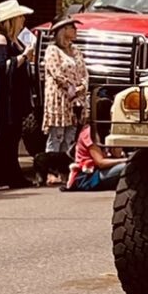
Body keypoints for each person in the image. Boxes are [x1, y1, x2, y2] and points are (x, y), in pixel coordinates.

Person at [0, 0, 34, 190]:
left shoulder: (15, 40)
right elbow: (3, 66)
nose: (23, 20)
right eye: (20, 17)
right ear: (11, 20)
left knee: (12, 137)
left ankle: (11, 175)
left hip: (14, 96)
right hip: (1, 97)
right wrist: (24, 56)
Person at [40, 17, 87, 184]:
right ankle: (50, 171)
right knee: (57, 135)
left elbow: (83, 72)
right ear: (62, 30)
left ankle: (65, 170)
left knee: (70, 136)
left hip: (75, 101)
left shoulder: (76, 51)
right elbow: (56, 73)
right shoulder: (52, 50)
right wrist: (70, 88)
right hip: (59, 98)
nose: (75, 30)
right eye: (71, 27)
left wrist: (81, 87)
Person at [66, 123, 127, 193]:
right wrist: (126, 160)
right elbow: (100, 162)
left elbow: (117, 155)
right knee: (127, 166)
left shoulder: (106, 130)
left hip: (100, 170)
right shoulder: (90, 132)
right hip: (89, 175)